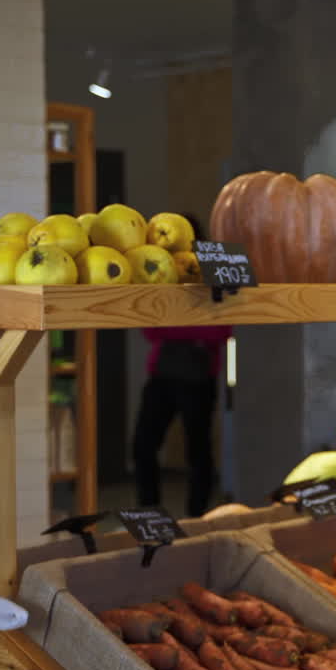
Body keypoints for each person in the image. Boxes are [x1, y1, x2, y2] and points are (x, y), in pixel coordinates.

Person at [132, 214, 233, 518]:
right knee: (142, 446)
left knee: (198, 453)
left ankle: (196, 518)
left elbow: (223, 330)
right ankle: (149, 515)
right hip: (163, 373)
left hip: (198, 376)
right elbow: (150, 329)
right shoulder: (163, 270)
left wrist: (175, 326)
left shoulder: (211, 272)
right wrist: (194, 326)